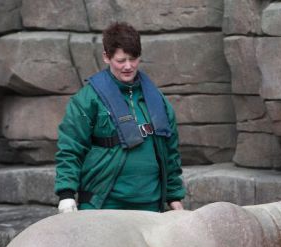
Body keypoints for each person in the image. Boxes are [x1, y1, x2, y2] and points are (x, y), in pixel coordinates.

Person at [54, 22, 185, 213]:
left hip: (149, 205)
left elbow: (170, 152)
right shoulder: (87, 99)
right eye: (121, 60)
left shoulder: (158, 101)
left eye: (133, 59)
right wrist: (66, 194)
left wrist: (174, 196)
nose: (128, 66)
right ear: (106, 57)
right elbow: (70, 149)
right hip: (103, 204)